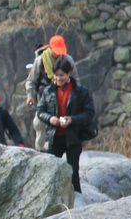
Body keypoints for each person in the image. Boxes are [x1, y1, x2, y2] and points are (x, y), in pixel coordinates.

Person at [36, 58, 95, 195]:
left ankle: (77, 202)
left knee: (73, 173)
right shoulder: (47, 91)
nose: (58, 78)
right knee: (50, 172)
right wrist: (50, 118)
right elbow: (40, 111)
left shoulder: (80, 92)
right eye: (56, 75)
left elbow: (89, 113)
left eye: (61, 75)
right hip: (53, 138)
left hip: (73, 138)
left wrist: (72, 120)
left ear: (69, 74)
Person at [24, 35, 78, 151]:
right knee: (40, 124)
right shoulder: (40, 61)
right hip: (45, 97)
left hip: (64, 98)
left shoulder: (68, 60)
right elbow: (31, 81)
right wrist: (30, 96)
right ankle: (40, 150)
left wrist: (76, 97)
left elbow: (75, 81)